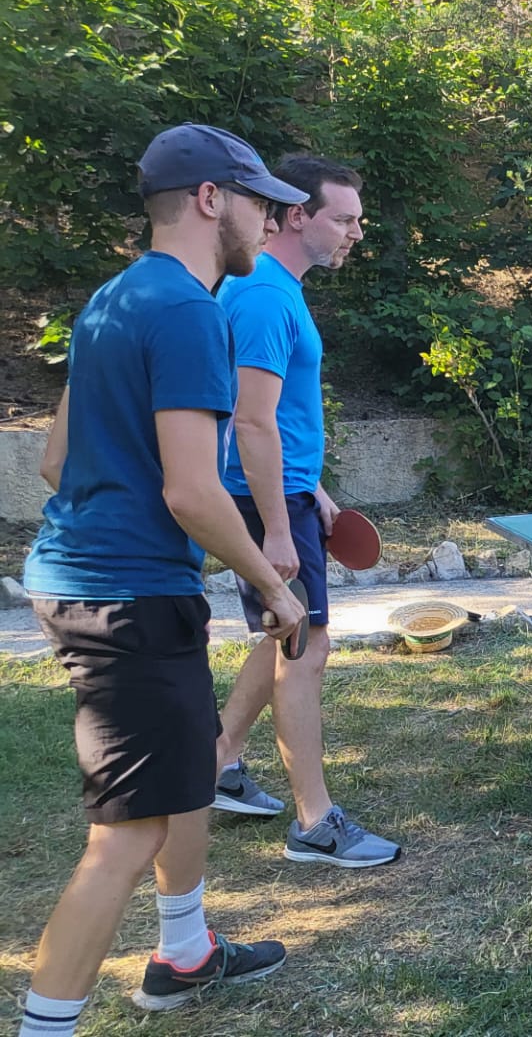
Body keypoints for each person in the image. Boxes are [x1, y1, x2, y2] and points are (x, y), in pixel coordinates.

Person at [16, 123, 308, 1036]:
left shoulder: (113, 298)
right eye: (259, 202)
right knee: (126, 834)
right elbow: (191, 491)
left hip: (97, 582)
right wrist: (274, 585)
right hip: (124, 597)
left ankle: (184, 954)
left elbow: (56, 462)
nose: (271, 220)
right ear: (212, 200)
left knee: (187, 773)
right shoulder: (187, 310)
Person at [208, 156, 399, 868]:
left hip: (286, 492)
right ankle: (315, 823)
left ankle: (216, 762)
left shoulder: (273, 287)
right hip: (267, 503)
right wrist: (279, 527)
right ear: (297, 215)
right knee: (305, 649)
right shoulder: (263, 295)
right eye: (344, 219)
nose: (356, 233)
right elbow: (250, 420)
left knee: (282, 636)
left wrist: (310, 487)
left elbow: (275, 416)